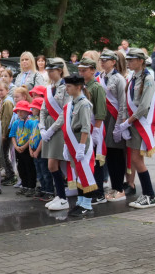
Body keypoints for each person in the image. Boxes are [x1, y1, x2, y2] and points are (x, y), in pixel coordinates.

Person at [115, 48, 155, 209]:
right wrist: (125, 122)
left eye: (132, 60)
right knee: (134, 159)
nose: (128, 62)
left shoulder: (148, 79)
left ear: (141, 61)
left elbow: (143, 106)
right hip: (132, 123)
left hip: (139, 123)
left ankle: (150, 195)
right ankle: (148, 194)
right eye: (128, 60)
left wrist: (128, 122)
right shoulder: (133, 78)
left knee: (136, 160)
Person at [61, 73, 97, 219]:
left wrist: (82, 146)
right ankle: (81, 201)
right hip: (72, 141)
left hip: (81, 141)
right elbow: (67, 125)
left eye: (69, 86)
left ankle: (87, 204)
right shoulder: (73, 103)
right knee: (78, 172)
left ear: (78, 87)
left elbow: (85, 127)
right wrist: (65, 145)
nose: (66, 89)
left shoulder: (84, 104)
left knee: (85, 172)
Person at [99, 50, 130, 201]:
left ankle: (119, 187)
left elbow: (123, 104)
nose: (103, 62)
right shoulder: (100, 77)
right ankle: (114, 186)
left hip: (115, 118)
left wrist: (119, 125)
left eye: (106, 60)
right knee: (109, 154)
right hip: (103, 118)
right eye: (101, 59)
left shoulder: (119, 79)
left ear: (113, 62)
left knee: (117, 153)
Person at [41, 58, 71, 209]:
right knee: (52, 165)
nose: (50, 73)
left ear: (60, 70)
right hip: (48, 129)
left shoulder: (66, 87)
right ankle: (59, 195)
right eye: (48, 70)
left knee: (52, 165)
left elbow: (65, 112)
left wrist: (52, 129)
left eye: (52, 70)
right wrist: (41, 127)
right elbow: (43, 109)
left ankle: (63, 198)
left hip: (59, 129)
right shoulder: (49, 88)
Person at [77, 57, 107, 202]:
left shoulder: (96, 87)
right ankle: (90, 189)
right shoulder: (82, 87)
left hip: (95, 127)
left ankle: (99, 192)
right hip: (85, 129)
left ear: (93, 71)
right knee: (87, 161)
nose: (81, 73)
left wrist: (96, 131)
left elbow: (100, 111)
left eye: (85, 70)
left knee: (97, 161)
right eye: (80, 70)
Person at [9, 100, 36, 195]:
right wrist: (16, 146)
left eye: (22, 111)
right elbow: (12, 135)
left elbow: (32, 136)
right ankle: (24, 185)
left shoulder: (31, 122)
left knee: (30, 167)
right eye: (18, 111)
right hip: (18, 148)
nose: (19, 113)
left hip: (27, 148)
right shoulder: (16, 123)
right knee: (21, 167)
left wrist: (24, 146)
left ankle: (31, 187)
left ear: (27, 111)